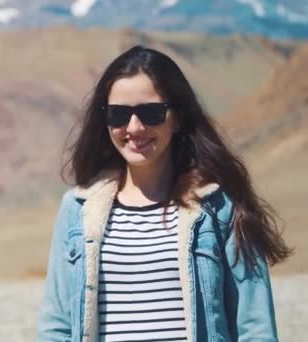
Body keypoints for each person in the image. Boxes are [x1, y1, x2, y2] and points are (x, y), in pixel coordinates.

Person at [36, 45, 291, 342]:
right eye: (118, 115)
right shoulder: (76, 210)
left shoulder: (219, 207)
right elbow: (56, 327)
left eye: (151, 113)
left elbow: (255, 326)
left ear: (178, 118)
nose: (134, 127)